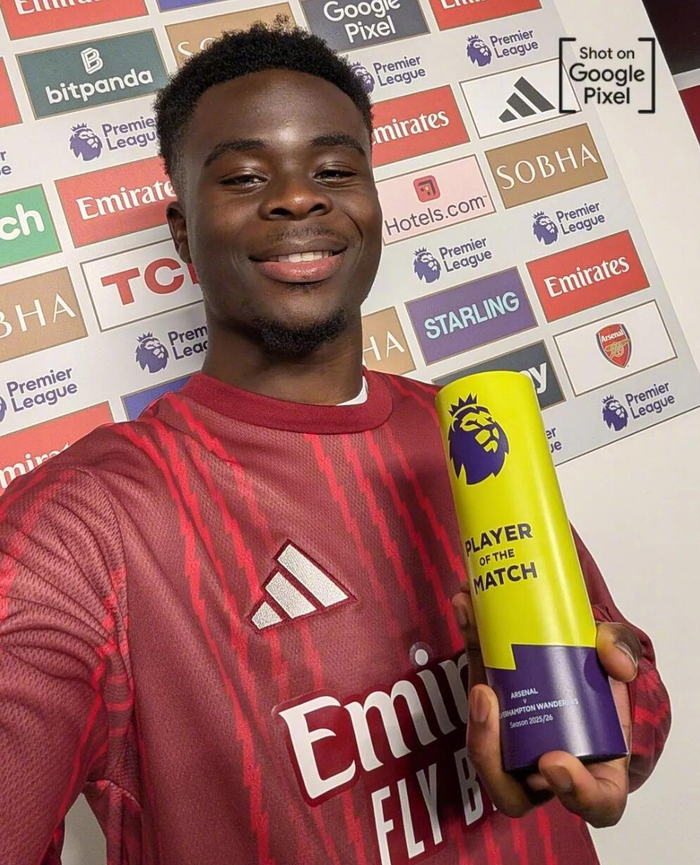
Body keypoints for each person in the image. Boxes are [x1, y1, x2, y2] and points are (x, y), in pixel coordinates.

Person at [0, 21, 670, 865]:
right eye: (245, 176)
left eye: (334, 171)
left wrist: (612, 703)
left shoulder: (468, 431)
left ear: (373, 204)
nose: (297, 199)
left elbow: (636, 709)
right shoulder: (80, 523)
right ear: (182, 235)